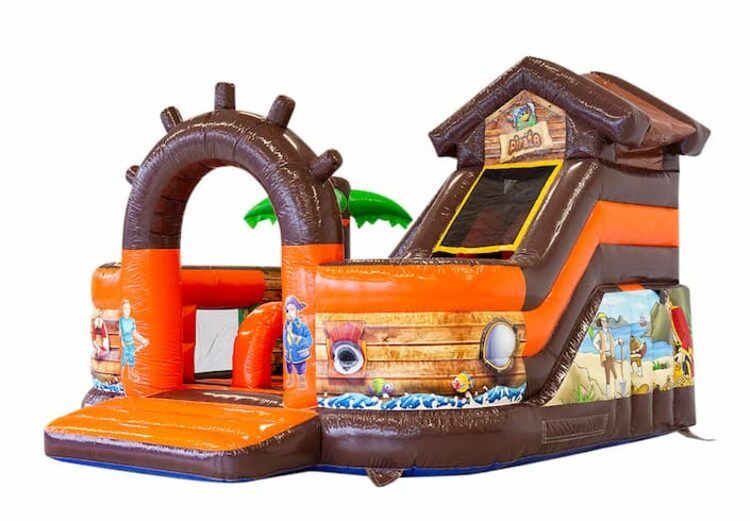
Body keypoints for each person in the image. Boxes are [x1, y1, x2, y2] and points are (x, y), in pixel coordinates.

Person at [283, 295, 312, 390]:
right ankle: (290, 378)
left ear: (297, 311)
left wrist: (297, 338)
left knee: (300, 367)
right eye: (287, 310)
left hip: (299, 353)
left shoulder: (302, 326)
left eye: (292, 309)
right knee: (289, 366)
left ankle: (302, 379)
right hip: (289, 353)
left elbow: (309, 339)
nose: (289, 313)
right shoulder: (286, 325)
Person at [592, 312, 623, 398]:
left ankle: (616, 392)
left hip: (611, 356)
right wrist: (600, 350)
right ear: (601, 322)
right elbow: (594, 343)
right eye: (605, 321)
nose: (606, 323)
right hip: (605, 357)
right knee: (608, 376)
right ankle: (608, 395)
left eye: (606, 321)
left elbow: (612, 344)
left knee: (615, 375)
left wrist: (618, 341)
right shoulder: (600, 334)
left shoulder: (609, 334)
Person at [118, 299, 149, 370]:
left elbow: (134, 333)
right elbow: (120, 333)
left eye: (129, 308)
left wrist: (142, 340)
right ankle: (122, 372)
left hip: (131, 344)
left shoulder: (132, 320)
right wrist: (122, 343)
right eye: (125, 308)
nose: (127, 310)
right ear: (122, 309)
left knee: (131, 361)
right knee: (123, 361)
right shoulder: (121, 320)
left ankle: (131, 372)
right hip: (124, 345)